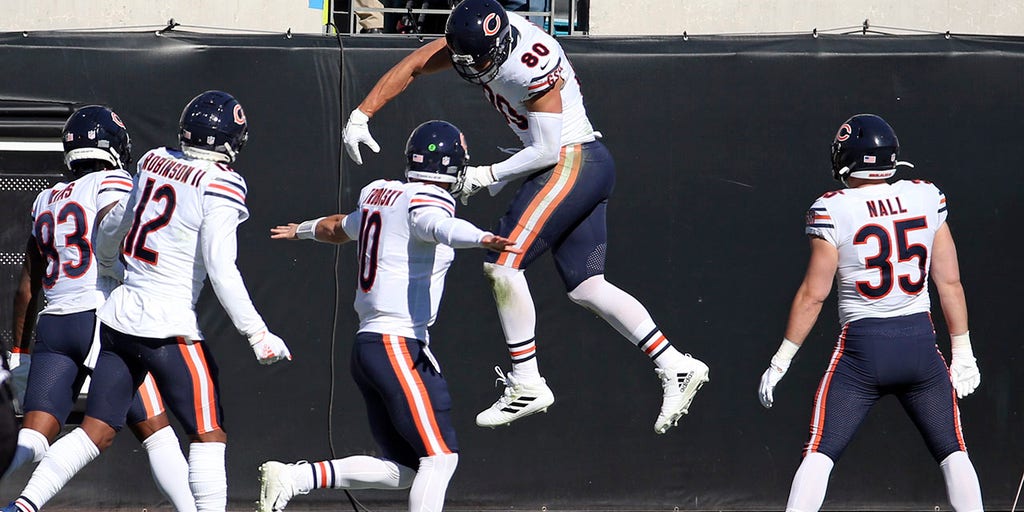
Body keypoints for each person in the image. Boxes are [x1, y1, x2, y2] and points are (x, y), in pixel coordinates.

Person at [341, 0, 709, 434]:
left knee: (502, 264)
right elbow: (419, 61)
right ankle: (675, 364)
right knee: (588, 287)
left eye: (479, 58)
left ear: (499, 46)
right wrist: (362, 113)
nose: (472, 67)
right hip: (574, 162)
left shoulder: (531, 60)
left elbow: (548, 150)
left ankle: (527, 381)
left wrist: (485, 175)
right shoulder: (481, 34)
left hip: (573, 161)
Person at [4, 92, 292, 512]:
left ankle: (22, 506)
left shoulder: (148, 163)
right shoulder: (216, 182)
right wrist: (257, 332)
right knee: (204, 433)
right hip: (157, 322)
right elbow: (220, 265)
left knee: (90, 431)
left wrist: (20, 350)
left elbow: (109, 229)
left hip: (108, 320)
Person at [257, 120, 519, 512]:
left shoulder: (382, 196)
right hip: (398, 344)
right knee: (441, 458)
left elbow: (338, 228)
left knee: (407, 468)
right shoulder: (427, 203)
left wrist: (303, 229)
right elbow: (439, 226)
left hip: (369, 346)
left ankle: (295, 478)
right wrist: (480, 237)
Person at [757, 114, 984, 512]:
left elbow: (814, 294)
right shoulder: (925, 196)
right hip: (920, 348)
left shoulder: (833, 208)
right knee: (953, 451)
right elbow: (949, 283)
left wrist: (781, 359)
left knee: (820, 452)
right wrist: (962, 350)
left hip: (862, 353)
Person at [4, 105, 195, 512]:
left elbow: (26, 288)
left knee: (37, 433)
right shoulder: (112, 182)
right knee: (150, 430)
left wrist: (19, 355)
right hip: (102, 317)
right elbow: (113, 224)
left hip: (54, 325)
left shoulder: (44, 199)